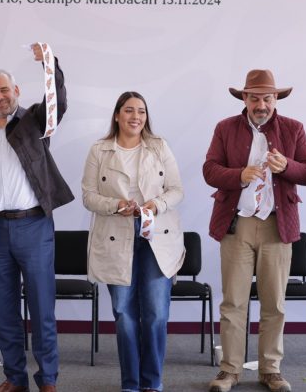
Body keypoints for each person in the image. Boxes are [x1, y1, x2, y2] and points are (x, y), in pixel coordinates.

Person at [0, 44, 73, 392]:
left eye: (4, 90)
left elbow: (59, 102)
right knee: (6, 313)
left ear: (17, 92)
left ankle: (48, 379)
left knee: (41, 310)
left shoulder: (35, 122)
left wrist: (50, 65)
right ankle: (14, 378)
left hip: (34, 227)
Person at [203, 70, 306, 392]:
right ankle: (229, 371)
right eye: (254, 98)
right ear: (244, 98)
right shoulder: (225, 128)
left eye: (267, 98)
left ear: (276, 99)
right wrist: (239, 175)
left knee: (274, 304)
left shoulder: (294, 129)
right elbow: (209, 169)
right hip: (236, 225)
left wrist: (287, 168)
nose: (261, 104)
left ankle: (270, 370)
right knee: (233, 303)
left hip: (277, 227)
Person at [81, 91, 184, 392]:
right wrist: (115, 205)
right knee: (124, 313)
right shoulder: (99, 150)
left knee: (155, 313)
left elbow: (177, 190)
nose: (135, 116)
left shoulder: (158, 146)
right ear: (117, 115)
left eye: (141, 111)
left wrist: (157, 204)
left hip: (158, 237)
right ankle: (130, 383)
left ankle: (152, 383)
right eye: (128, 110)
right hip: (116, 235)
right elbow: (88, 195)